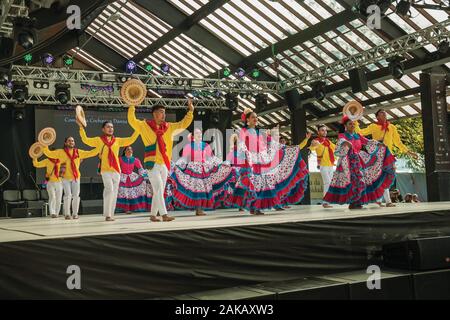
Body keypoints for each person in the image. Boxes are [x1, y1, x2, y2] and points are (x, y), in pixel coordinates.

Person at [227, 108, 309, 215]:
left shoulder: (261, 132)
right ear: (247, 120)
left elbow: (273, 144)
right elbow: (241, 145)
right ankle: (255, 207)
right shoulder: (243, 131)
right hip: (253, 160)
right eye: (253, 117)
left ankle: (273, 203)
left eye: (256, 117)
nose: (255, 119)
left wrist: (290, 148)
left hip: (264, 159)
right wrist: (246, 156)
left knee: (267, 184)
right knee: (257, 185)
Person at [127, 99, 194, 222]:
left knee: (159, 191)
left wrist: (190, 111)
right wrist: (132, 106)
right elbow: (132, 120)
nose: (164, 114)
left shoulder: (169, 127)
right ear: (154, 113)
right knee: (158, 189)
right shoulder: (145, 125)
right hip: (152, 164)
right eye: (161, 112)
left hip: (164, 163)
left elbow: (183, 124)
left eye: (164, 112)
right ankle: (164, 215)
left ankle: (153, 215)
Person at [324, 116, 396, 209]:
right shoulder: (343, 135)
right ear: (345, 126)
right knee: (354, 181)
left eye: (353, 123)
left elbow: (367, 141)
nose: (352, 125)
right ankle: (353, 202)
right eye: (350, 124)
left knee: (362, 181)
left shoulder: (357, 135)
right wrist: (346, 142)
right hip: (348, 161)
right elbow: (341, 141)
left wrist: (378, 144)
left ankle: (358, 201)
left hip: (359, 160)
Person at [355, 109, 417, 207]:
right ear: (377, 117)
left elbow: (398, 142)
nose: (384, 114)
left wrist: (409, 152)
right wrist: (355, 121)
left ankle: (380, 199)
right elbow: (360, 132)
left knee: (386, 177)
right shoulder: (373, 126)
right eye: (381, 113)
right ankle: (386, 201)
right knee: (381, 177)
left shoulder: (392, 127)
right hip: (378, 155)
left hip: (388, 156)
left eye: (385, 113)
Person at [79, 121, 139, 222]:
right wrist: (81, 128)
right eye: (108, 127)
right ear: (103, 129)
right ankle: (107, 214)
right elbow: (85, 140)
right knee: (109, 189)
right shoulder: (99, 140)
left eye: (112, 127)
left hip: (116, 170)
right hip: (105, 170)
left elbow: (131, 139)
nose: (110, 129)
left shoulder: (117, 140)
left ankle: (111, 213)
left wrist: (138, 129)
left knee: (114, 192)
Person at [171, 128, 234, 216]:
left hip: (204, 169)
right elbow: (184, 158)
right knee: (196, 189)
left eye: (200, 133)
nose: (199, 135)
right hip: (193, 169)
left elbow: (211, 158)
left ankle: (199, 209)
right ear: (193, 136)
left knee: (203, 190)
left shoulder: (205, 145)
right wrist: (176, 165)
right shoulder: (188, 146)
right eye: (197, 133)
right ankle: (198, 209)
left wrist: (222, 164)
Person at [42, 137, 100, 220]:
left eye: (72, 140)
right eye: (69, 141)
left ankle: (75, 213)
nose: (71, 142)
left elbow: (91, 153)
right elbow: (49, 153)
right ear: (65, 143)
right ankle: (67, 214)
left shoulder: (78, 152)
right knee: (67, 195)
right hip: (65, 178)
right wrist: (45, 144)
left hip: (76, 177)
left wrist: (99, 146)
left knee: (76, 196)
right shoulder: (60, 152)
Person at [309, 124, 335, 209]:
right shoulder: (316, 141)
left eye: (325, 130)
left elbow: (336, 148)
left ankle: (327, 201)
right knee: (327, 183)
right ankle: (325, 201)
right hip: (323, 165)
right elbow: (312, 148)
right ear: (318, 132)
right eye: (322, 130)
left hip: (330, 165)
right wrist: (313, 144)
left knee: (329, 183)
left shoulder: (328, 141)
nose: (325, 132)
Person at [116, 146, 148, 213]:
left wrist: (144, 176)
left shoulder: (135, 160)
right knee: (124, 192)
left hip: (132, 178)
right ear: (125, 151)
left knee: (132, 192)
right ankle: (125, 209)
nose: (130, 150)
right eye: (128, 149)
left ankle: (132, 208)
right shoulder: (120, 159)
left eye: (131, 149)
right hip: (122, 178)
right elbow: (116, 168)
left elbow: (140, 169)